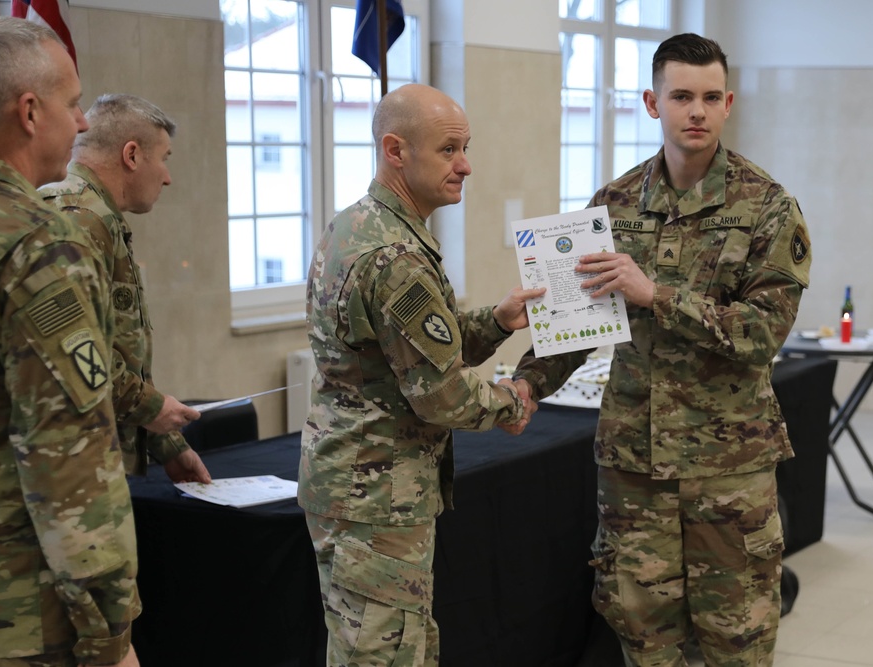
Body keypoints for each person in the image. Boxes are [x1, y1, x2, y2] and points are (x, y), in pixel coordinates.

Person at [509, 34, 811, 666]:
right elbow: (576, 323)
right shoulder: (612, 207)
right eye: (680, 96)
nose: (694, 111)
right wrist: (528, 382)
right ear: (653, 103)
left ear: (728, 104)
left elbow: (761, 336)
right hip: (634, 467)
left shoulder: (768, 209)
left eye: (708, 97)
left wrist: (656, 295)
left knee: (738, 641)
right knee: (643, 637)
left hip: (727, 468)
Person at [298, 83, 544, 666]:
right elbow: (440, 394)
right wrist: (510, 401)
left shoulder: (360, 225)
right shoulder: (395, 256)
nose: (465, 165)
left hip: (360, 486)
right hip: (377, 495)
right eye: (449, 149)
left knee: (396, 650)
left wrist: (498, 320)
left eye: (466, 147)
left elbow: (409, 351)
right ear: (395, 150)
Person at [0, 17, 140, 667]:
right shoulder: (35, 244)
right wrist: (111, 632)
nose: (83, 123)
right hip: (21, 605)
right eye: (74, 103)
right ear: (30, 112)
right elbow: (70, 460)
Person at [42, 94, 209, 484]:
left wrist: (165, 441)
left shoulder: (97, 216)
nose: (167, 177)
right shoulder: (78, 219)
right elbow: (74, 349)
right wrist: (152, 408)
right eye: (165, 158)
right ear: (132, 155)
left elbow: (116, 342)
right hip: (70, 463)